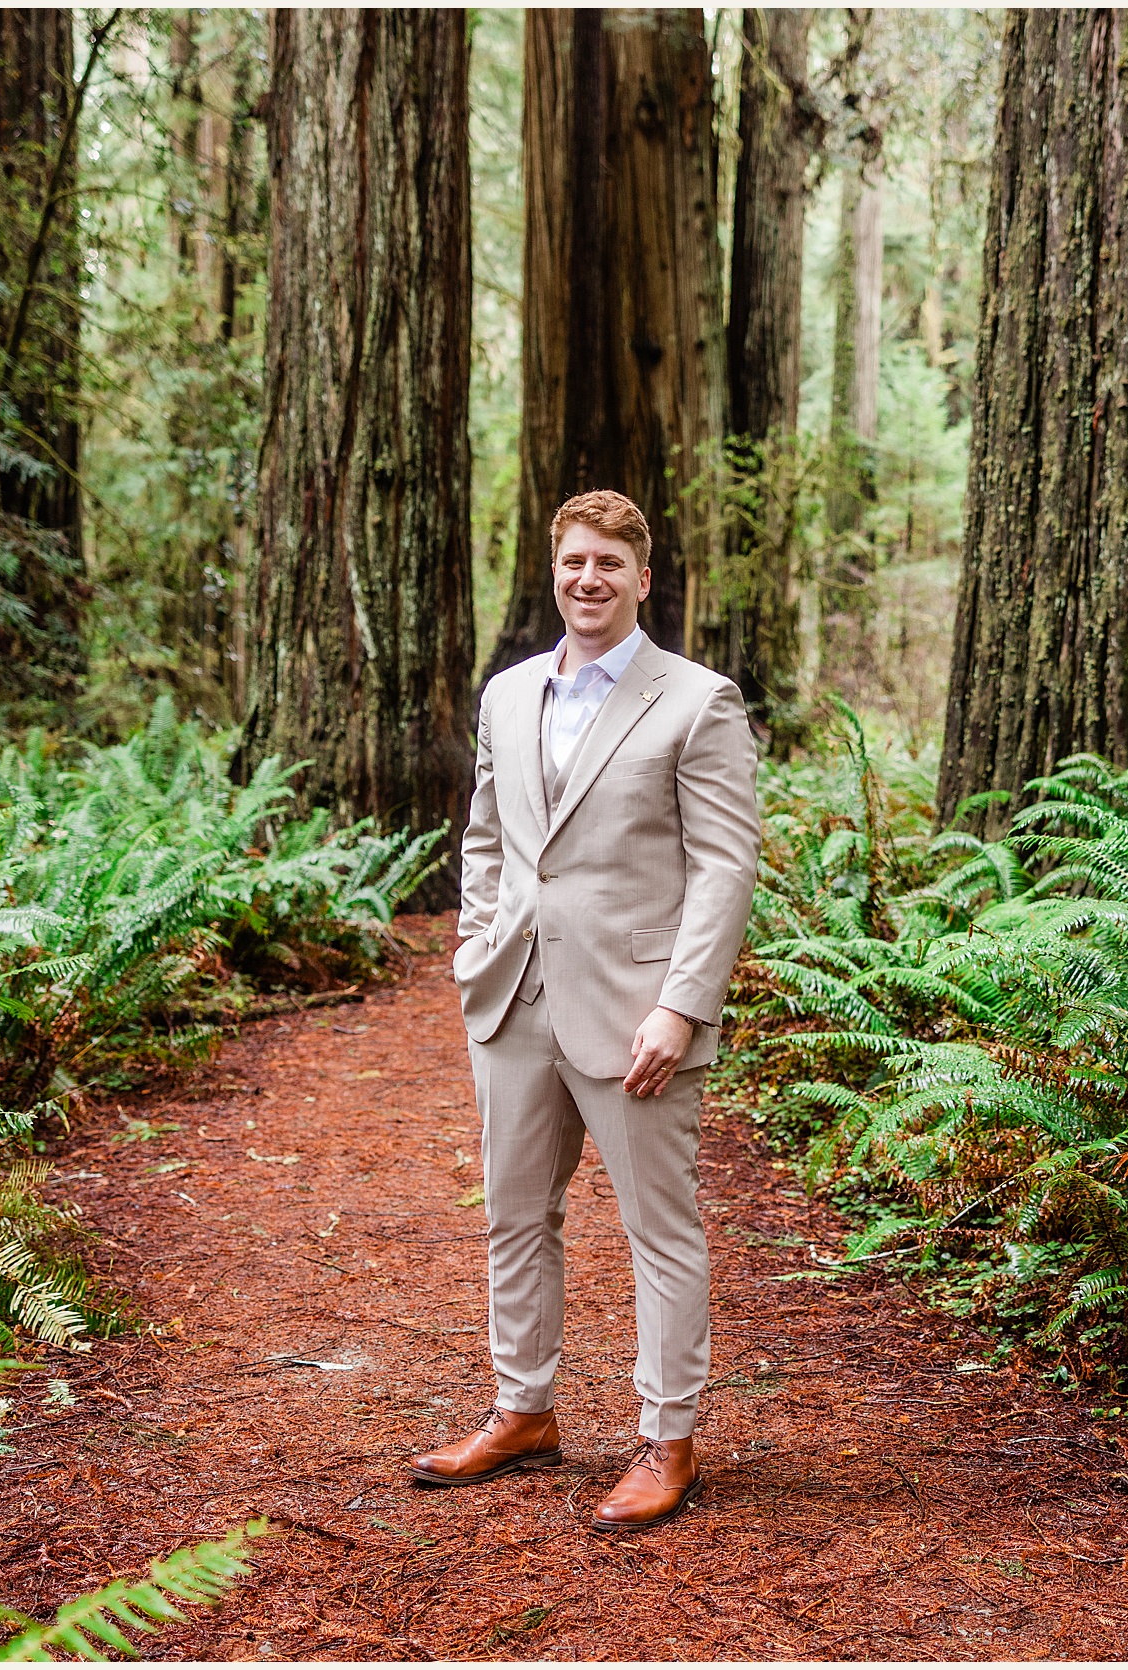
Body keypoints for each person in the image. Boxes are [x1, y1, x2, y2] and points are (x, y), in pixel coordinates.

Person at [409, 489, 760, 1532]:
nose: (588, 579)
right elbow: (485, 832)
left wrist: (682, 1006)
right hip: (512, 996)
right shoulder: (507, 694)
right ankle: (523, 1411)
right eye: (572, 562)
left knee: (659, 1228)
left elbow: (724, 867)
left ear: (643, 578)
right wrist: (478, 937)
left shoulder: (698, 700)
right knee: (516, 1214)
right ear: (552, 572)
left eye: (609, 562)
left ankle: (668, 1436)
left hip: (636, 1011)